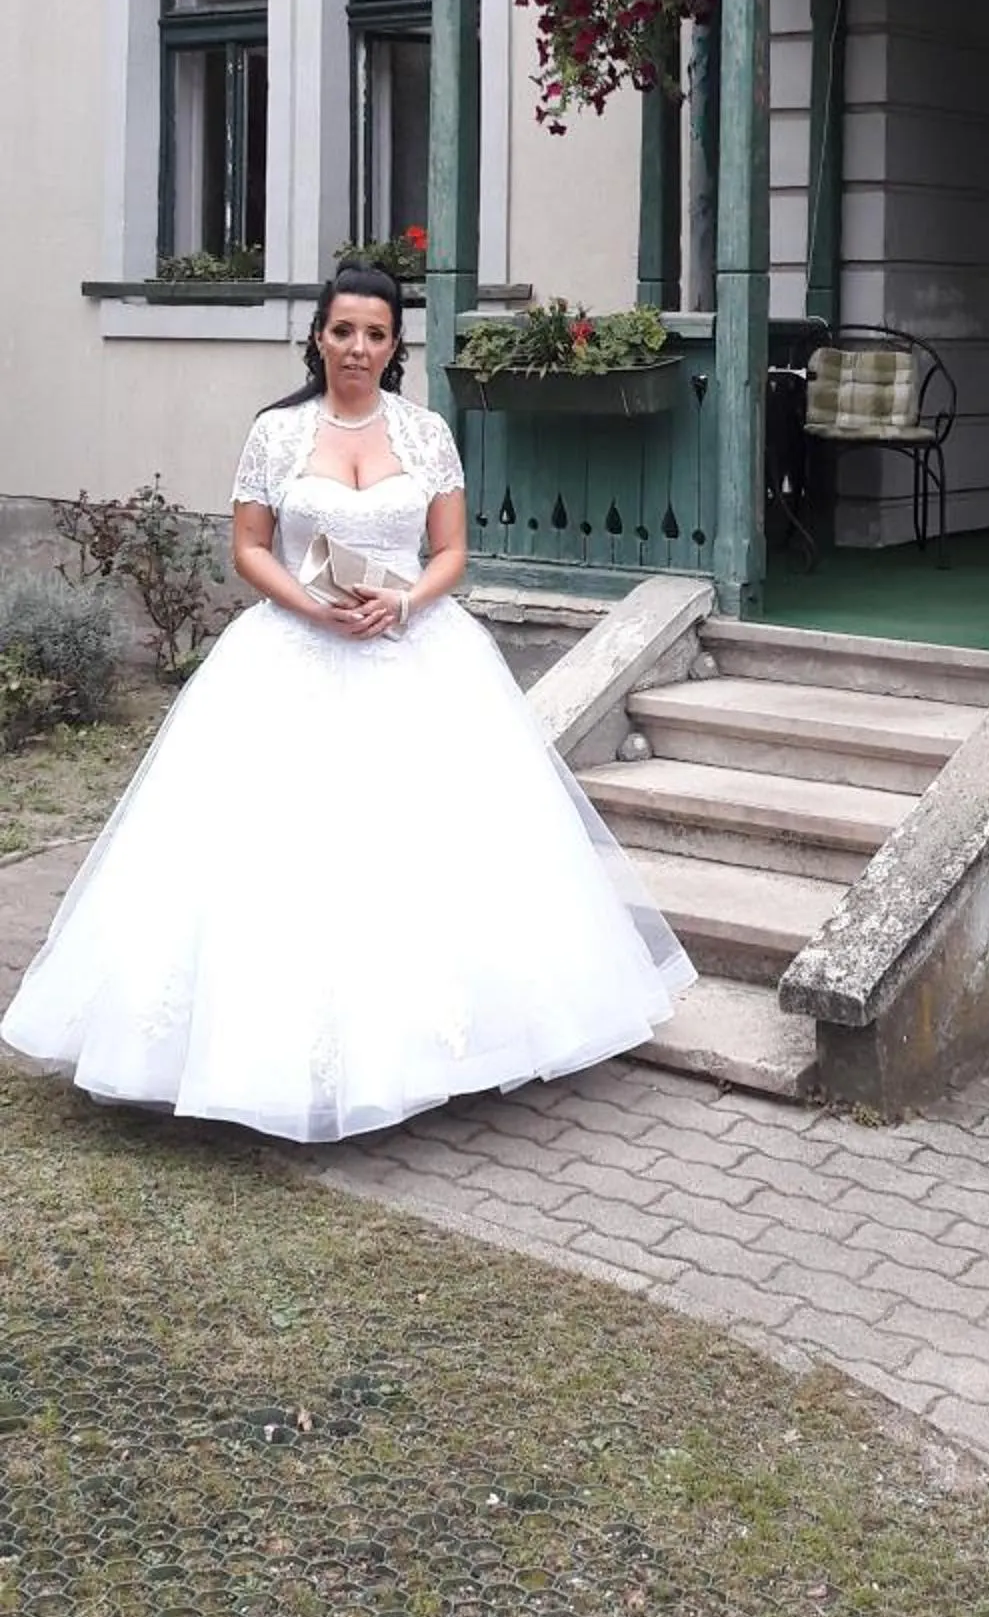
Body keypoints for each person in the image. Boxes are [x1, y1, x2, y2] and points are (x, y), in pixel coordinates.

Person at [1, 264, 695, 1142]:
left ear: (395, 344)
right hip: (293, 650)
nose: (358, 348)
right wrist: (309, 605)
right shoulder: (277, 433)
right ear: (319, 337)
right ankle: (253, 1052)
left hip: (414, 652)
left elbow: (452, 552)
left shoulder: (426, 432)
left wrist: (402, 602)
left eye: (375, 334)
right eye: (343, 331)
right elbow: (249, 547)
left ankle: (439, 1048)